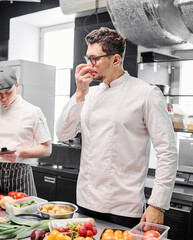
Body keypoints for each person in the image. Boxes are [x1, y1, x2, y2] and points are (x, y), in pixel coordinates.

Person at [56, 27, 178, 228]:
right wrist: (79, 94)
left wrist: (157, 204)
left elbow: (167, 151)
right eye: (88, 58)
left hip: (124, 207)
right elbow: (63, 133)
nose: (89, 65)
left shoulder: (146, 94)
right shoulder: (89, 94)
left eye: (95, 59)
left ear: (115, 59)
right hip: (86, 201)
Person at [0, 67, 52, 196]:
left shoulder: (33, 112)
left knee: (24, 214)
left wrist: (20, 152)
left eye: (8, 92)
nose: (3, 97)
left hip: (20, 173)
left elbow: (47, 149)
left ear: (17, 85)